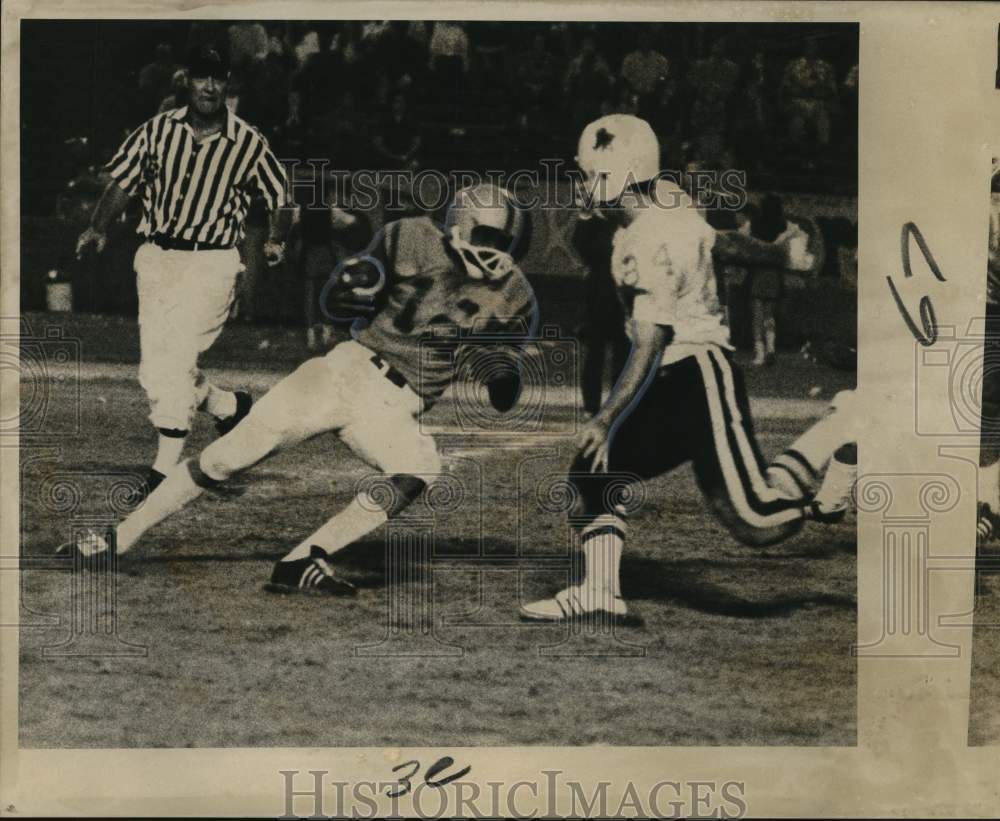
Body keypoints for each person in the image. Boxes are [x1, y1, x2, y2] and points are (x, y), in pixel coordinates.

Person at [61, 185, 537, 597]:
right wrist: (350, 291)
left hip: (397, 406)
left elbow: (503, 397)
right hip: (346, 371)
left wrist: (499, 365)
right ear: (460, 223)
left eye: (506, 242)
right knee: (226, 459)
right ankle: (115, 538)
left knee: (417, 469)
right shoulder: (409, 234)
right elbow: (334, 301)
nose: (498, 249)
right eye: (490, 235)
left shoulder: (515, 293)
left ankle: (302, 560)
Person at [520, 115, 858, 623]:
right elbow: (723, 242)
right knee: (594, 470)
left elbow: (653, 339)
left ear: (618, 173)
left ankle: (834, 464)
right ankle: (600, 592)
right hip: (672, 377)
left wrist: (606, 416)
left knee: (755, 520)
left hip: (698, 376)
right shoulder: (668, 206)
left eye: (589, 175)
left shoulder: (648, 238)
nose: (582, 187)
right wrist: (776, 254)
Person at [75, 44, 289, 498]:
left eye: (218, 78)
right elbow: (122, 182)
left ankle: (163, 469)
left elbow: (281, 195)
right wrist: (98, 227)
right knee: (157, 364)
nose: (209, 87)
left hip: (212, 261)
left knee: (173, 360)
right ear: (187, 81)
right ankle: (228, 406)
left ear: (227, 83)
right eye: (201, 77)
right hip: (157, 258)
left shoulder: (247, 140)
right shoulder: (157, 130)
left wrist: (275, 238)